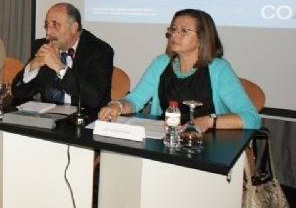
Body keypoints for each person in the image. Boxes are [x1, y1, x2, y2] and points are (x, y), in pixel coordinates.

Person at [97, 9, 261, 130]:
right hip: (166, 138)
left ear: (202, 38)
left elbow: (251, 118)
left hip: (206, 143)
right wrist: (117, 106)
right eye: (173, 29)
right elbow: (136, 100)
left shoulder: (219, 69)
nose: (174, 35)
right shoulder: (161, 63)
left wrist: (207, 121)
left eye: (184, 31)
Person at [11, 3, 114, 109]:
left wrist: (60, 68)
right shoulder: (43, 46)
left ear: (74, 27)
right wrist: (33, 66)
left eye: (55, 25)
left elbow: (94, 98)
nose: (48, 32)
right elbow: (18, 93)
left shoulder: (99, 51)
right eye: (47, 25)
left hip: (84, 119)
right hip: (48, 119)